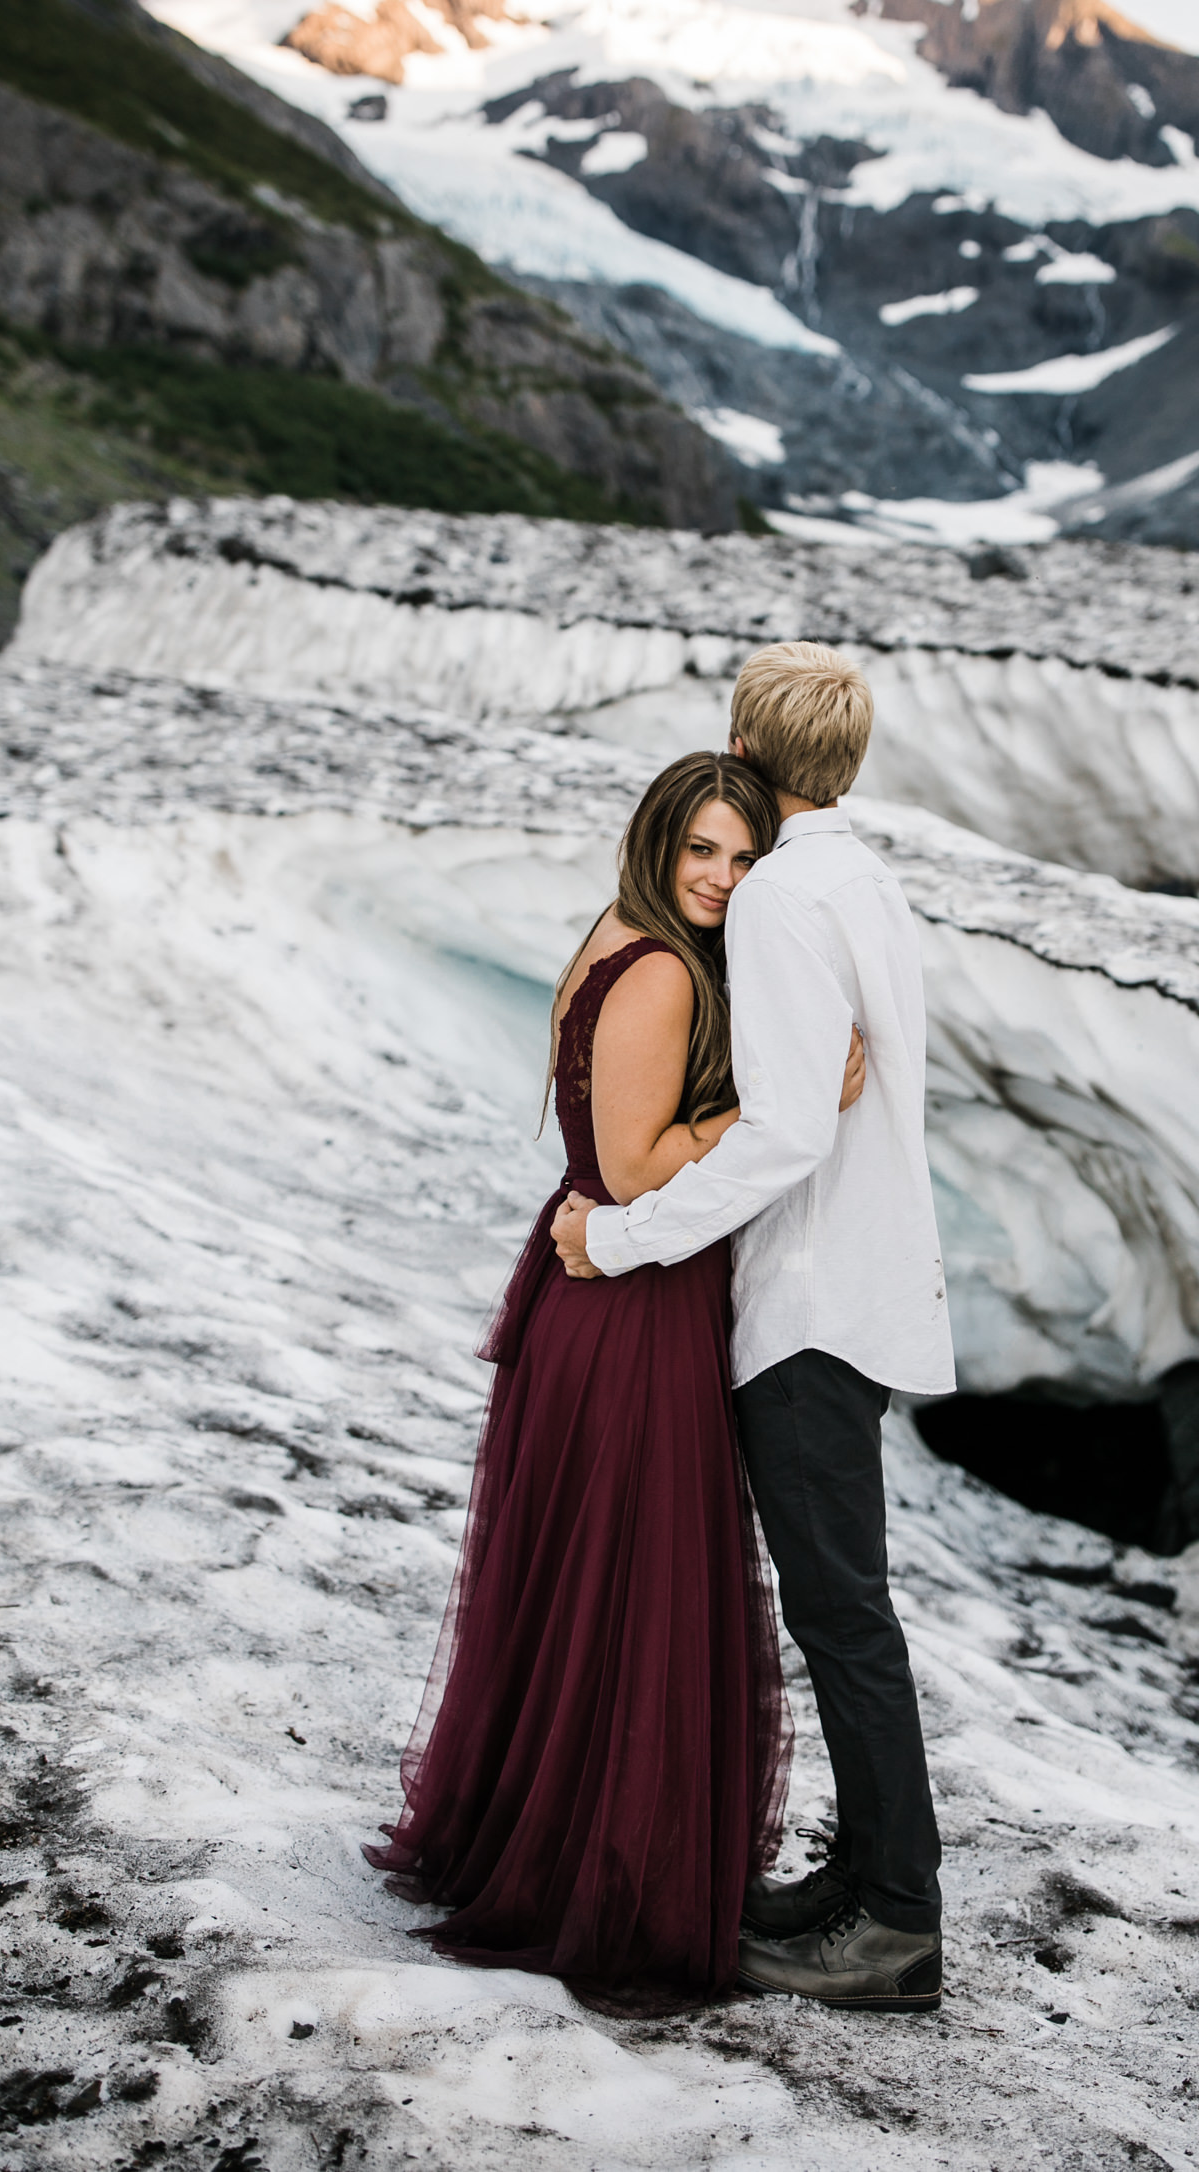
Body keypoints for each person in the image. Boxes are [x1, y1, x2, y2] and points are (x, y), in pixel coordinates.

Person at [364, 750, 864, 2012]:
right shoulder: (651, 971)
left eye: (742, 858)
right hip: (627, 1303)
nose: (719, 877)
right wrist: (778, 1103)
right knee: (630, 1595)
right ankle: (601, 1877)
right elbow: (638, 1174)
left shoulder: (628, 929)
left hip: (606, 1296)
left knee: (593, 1592)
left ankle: (562, 1841)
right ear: (657, 841)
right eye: (699, 849)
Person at [553, 642, 955, 2015]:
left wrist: (618, 1236)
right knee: (845, 1609)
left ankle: (894, 1921)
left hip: (809, 1302)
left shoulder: (782, 894)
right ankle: (860, 1883)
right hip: (858, 1285)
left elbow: (785, 1130)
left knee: (842, 1616)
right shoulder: (862, 878)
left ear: (747, 741)